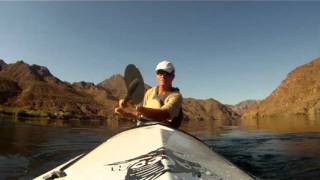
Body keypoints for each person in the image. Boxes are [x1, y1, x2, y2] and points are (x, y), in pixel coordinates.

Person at [115, 60, 183, 128]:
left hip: (165, 131)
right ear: (157, 75)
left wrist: (134, 108)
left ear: (173, 76)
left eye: (167, 73)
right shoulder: (149, 92)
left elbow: (162, 115)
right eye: (160, 72)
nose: (163, 76)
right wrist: (127, 113)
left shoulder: (176, 96)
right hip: (146, 128)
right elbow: (142, 115)